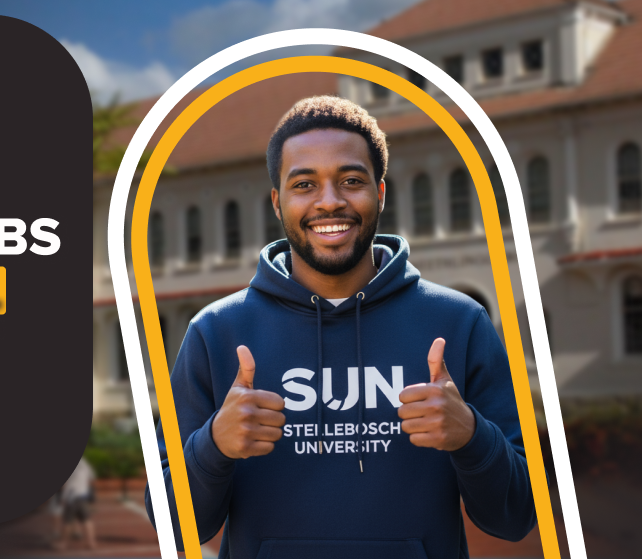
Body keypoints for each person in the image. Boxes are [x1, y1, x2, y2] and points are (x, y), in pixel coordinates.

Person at [146, 95, 535, 559]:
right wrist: (214, 446)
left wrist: (472, 435)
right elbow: (171, 523)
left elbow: (515, 518)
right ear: (277, 202)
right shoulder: (216, 333)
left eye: (351, 180)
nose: (329, 202)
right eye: (304, 184)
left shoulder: (459, 322)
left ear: (381, 193)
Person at [54, 456, 97, 550]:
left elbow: (64, 484)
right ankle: (91, 543)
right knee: (86, 520)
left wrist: (62, 498)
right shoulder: (84, 462)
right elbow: (91, 478)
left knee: (67, 521)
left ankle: (63, 543)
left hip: (71, 496)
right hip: (83, 495)